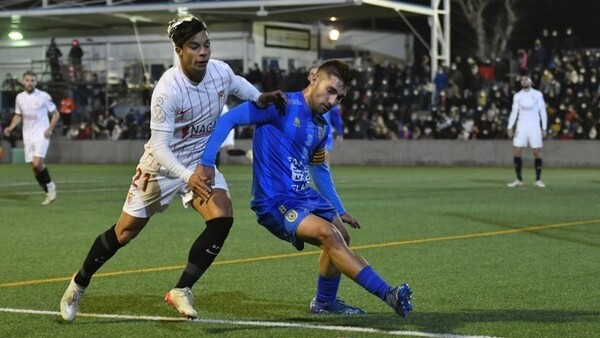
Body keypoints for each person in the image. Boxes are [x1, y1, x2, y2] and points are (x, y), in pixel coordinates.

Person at [59, 14, 287, 321]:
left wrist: (259, 97)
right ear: (179, 50)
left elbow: (236, 84)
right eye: (194, 46)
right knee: (124, 233)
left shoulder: (219, 71)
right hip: (161, 167)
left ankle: (182, 289)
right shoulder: (168, 91)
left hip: (198, 163)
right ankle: (79, 282)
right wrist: (186, 176)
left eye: (207, 45)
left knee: (222, 217)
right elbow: (161, 148)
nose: (203, 52)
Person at [197, 59, 413, 317]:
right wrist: (207, 161)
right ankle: (388, 293)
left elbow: (319, 170)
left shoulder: (321, 127)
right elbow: (229, 119)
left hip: (305, 196)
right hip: (275, 200)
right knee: (330, 235)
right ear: (314, 79)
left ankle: (324, 302)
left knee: (342, 235)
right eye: (330, 91)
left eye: (340, 97)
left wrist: (339, 209)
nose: (333, 101)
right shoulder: (280, 105)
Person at [3, 70, 60, 204]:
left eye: (32, 80)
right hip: (27, 135)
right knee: (34, 167)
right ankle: (47, 191)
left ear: (35, 82)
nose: (30, 83)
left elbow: (55, 114)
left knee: (37, 163)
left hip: (41, 133)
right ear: (23, 81)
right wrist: (11, 127)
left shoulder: (43, 96)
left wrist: (49, 129)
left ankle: (51, 186)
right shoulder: (20, 98)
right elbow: (18, 115)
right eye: (27, 80)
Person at [507, 73, 548, 188]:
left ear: (531, 81)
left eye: (526, 79)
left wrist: (544, 127)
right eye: (522, 80)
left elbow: (542, 111)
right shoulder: (517, 96)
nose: (524, 81)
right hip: (521, 126)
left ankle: (538, 179)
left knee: (536, 152)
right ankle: (519, 179)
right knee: (517, 151)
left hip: (534, 126)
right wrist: (510, 126)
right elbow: (514, 112)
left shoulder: (537, 94)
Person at [307, 66, 343, 161]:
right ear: (308, 77)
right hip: (305, 136)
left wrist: (340, 132)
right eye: (312, 74)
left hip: (324, 137)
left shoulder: (330, 96)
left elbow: (335, 115)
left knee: (322, 166)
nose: (314, 77)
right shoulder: (300, 96)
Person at [215, 103, 253, 168]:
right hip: (226, 129)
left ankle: (247, 153)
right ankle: (247, 153)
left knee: (219, 151)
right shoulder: (221, 105)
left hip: (225, 129)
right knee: (229, 151)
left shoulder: (220, 106)